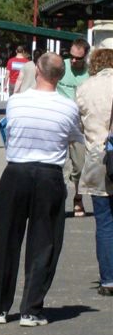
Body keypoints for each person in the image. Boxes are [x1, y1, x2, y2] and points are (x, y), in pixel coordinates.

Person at [0, 52, 84, 326]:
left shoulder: (16, 102)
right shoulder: (68, 108)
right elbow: (76, 138)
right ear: (60, 76)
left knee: (3, 238)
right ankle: (30, 309)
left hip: (16, 172)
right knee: (45, 241)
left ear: (38, 72)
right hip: (49, 175)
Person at [74, 47, 113, 296]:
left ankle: (108, 279)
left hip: (99, 159)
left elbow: (77, 125)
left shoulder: (85, 88)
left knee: (105, 222)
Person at [58, 38, 91, 217]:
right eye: (71, 56)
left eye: (78, 58)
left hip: (79, 125)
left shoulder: (89, 73)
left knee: (80, 165)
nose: (73, 60)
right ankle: (57, 201)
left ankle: (78, 197)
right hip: (59, 123)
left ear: (85, 56)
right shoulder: (60, 66)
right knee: (59, 165)